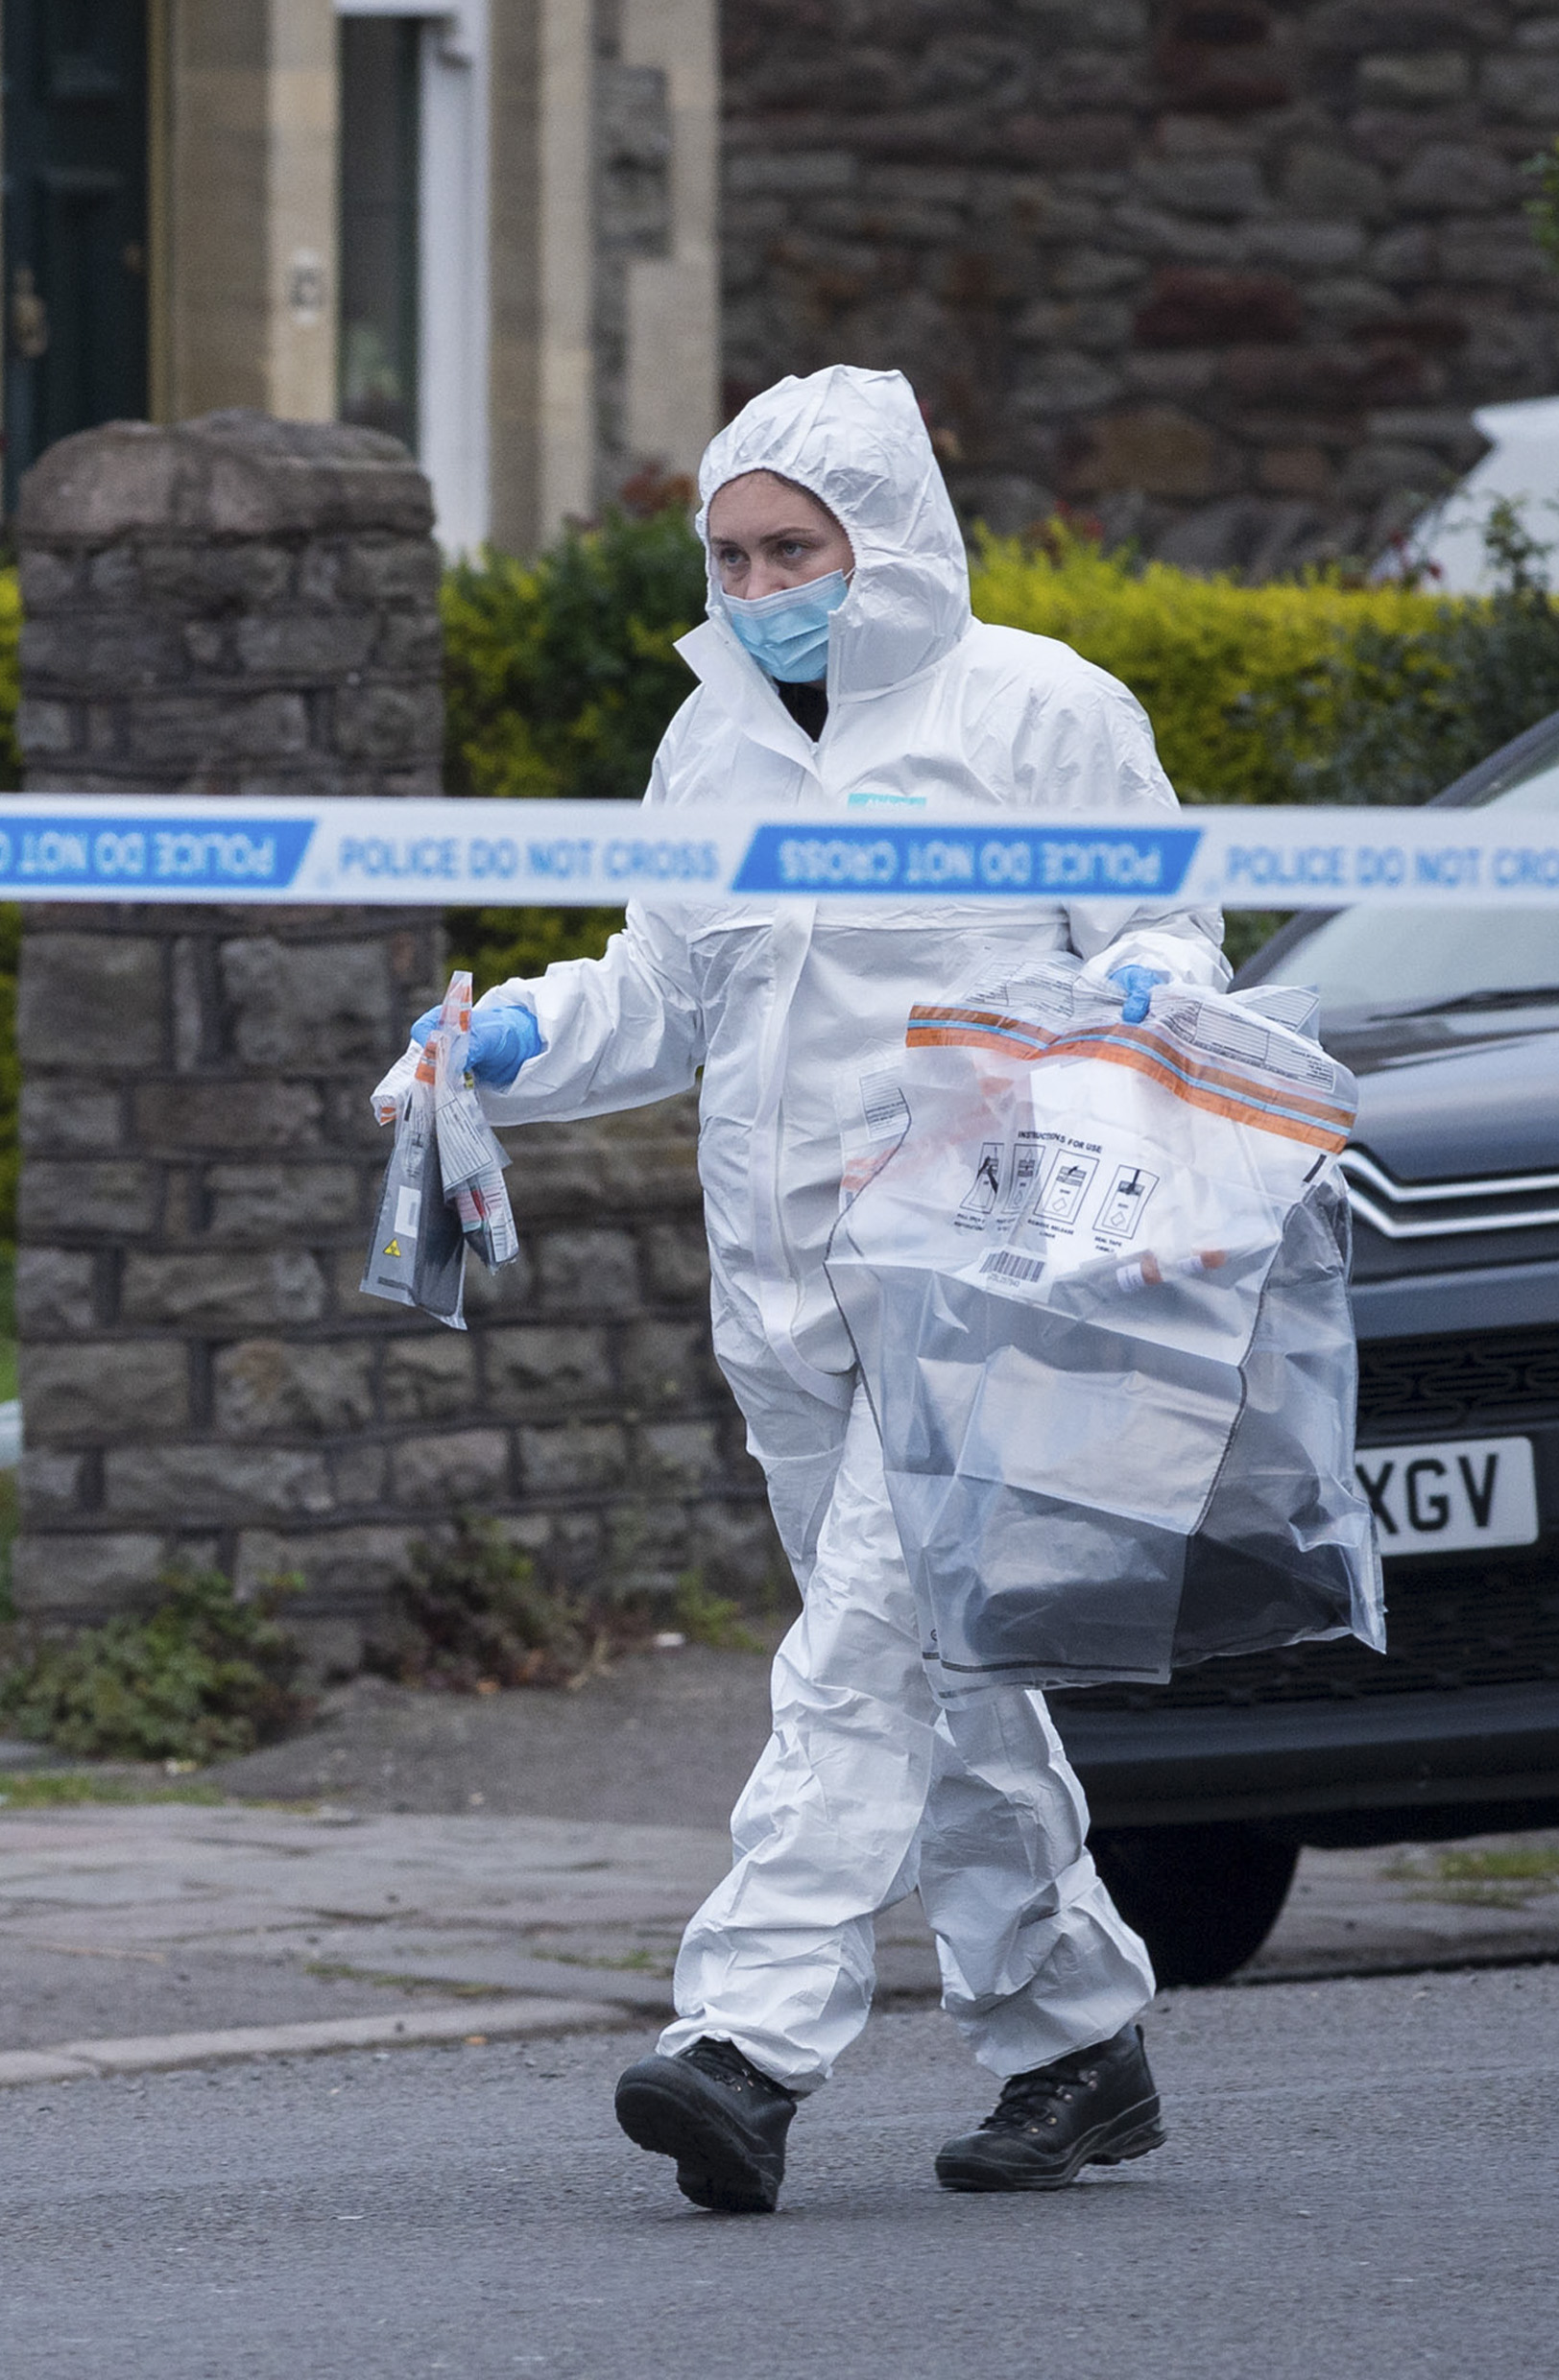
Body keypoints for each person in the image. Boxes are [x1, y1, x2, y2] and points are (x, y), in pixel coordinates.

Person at [420, 367, 1219, 2212]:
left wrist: (1143, 998)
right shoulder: (712, 744)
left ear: (890, 541)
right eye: (732, 551)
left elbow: (1170, 928)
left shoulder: (1037, 711)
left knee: (854, 1662)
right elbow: (671, 993)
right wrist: (524, 1036)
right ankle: (1077, 2041)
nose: (765, 580)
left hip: (984, 1272)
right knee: (944, 1678)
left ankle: (746, 2043)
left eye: (798, 545)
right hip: (781, 1291)